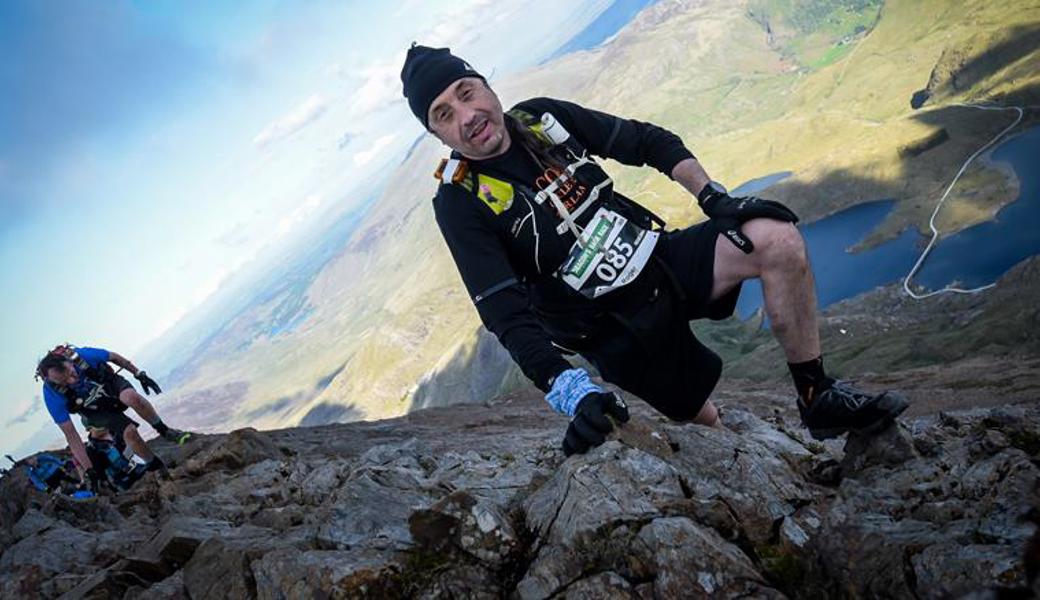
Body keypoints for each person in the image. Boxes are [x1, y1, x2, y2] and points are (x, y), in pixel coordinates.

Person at [400, 45, 909, 456]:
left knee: (775, 238)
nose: (467, 116)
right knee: (702, 419)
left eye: (468, 93)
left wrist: (714, 198)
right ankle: (759, 460)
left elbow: (646, 141)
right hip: (614, 329)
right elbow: (504, 313)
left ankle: (816, 395)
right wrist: (571, 391)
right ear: (436, 133)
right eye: (444, 114)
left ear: (488, 85)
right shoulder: (459, 203)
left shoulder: (542, 119)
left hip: (657, 258)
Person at [35, 344, 190, 486]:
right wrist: (89, 470)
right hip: (95, 410)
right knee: (130, 433)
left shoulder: (82, 355)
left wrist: (138, 374)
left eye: (71, 373)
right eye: (64, 382)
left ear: (68, 361)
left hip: (109, 385)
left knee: (132, 398)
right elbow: (71, 435)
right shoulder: (52, 394)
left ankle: (164, 430)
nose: (71, 380)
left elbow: (114, 357)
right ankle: (157, 467)